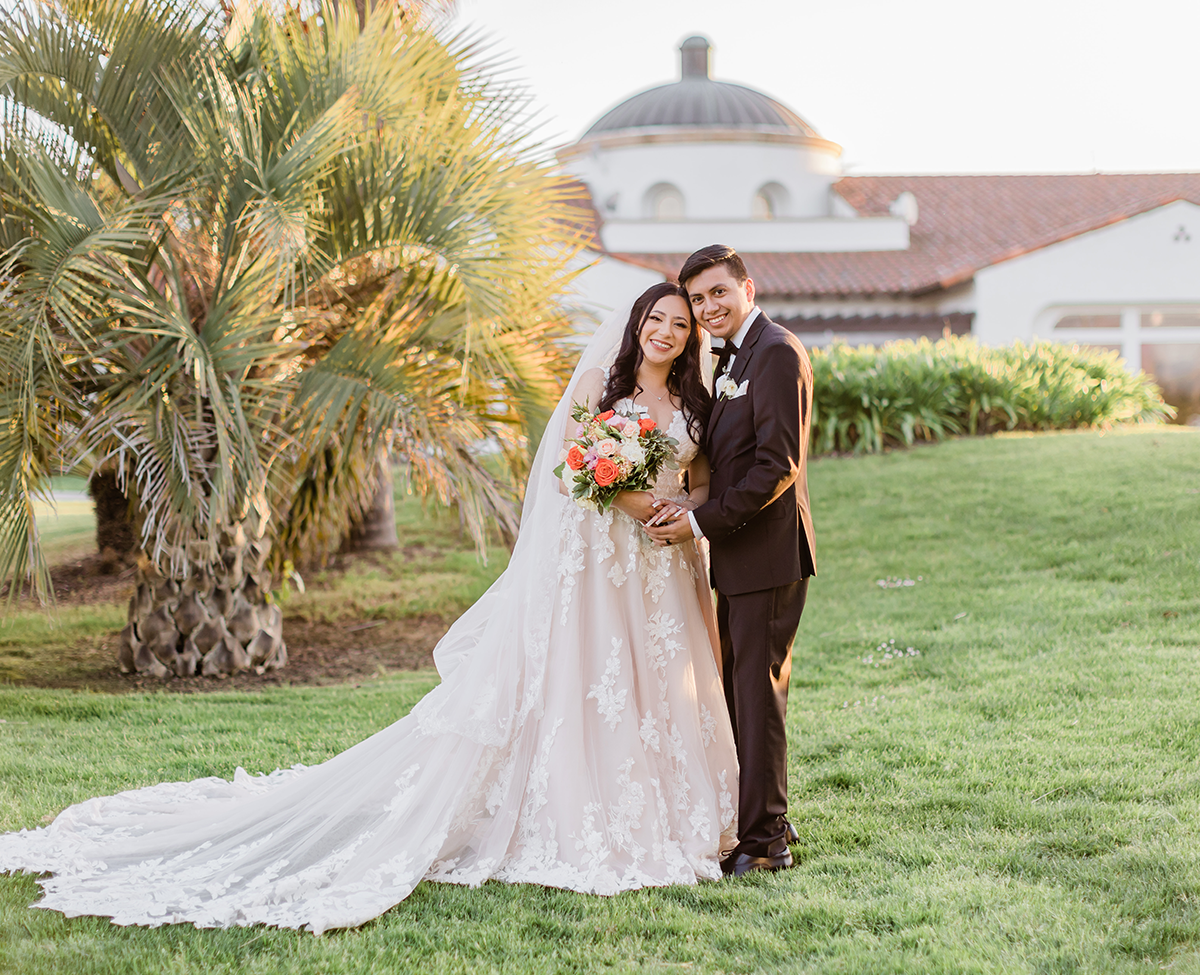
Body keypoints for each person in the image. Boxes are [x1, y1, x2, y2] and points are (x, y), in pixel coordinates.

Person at [0, 283, 738, 935]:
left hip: (658, 569)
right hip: (599, 565)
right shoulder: (597, 389)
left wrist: (682, 512)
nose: (667, 331)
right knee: (588, 679)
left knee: (647, 681)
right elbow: (576, 470)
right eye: (658, 318)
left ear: (690, 338)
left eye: (680, 324)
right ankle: (579, 806)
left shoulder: (695, 405)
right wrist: (643, 500)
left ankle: (668, 809)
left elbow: (701, 481)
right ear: (638, 323)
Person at [647, 245, 816, 877]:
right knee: (741, 692)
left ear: (747, 287)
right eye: (698, 299)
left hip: (769, 554)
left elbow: (778, 464)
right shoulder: (730, 355)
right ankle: (764, 814)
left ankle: (767, 842)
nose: (708, 307)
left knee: (757, 692)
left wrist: (697, 521)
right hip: (739, 554)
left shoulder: (774, 351)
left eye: (719, 293)